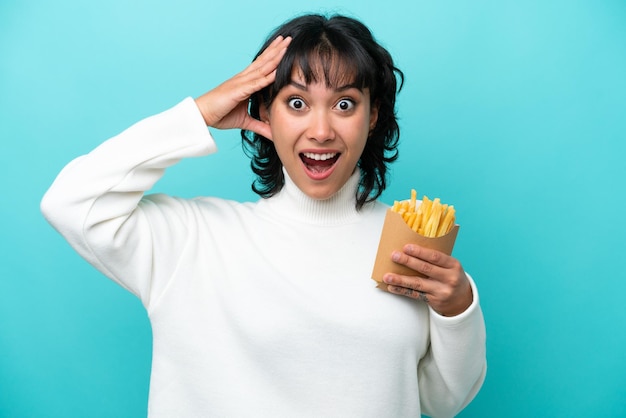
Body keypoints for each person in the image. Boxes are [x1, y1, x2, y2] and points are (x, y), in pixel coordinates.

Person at [41, 13, 486, 418]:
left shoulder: (406, 241)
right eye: (296, 103)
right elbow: (70, 202)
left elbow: (442, 402)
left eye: (345, 104)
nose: (321, 130)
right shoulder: (193, 240)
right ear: (264, 113)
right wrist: (197, 115)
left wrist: (457, 309)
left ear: (373, 117)